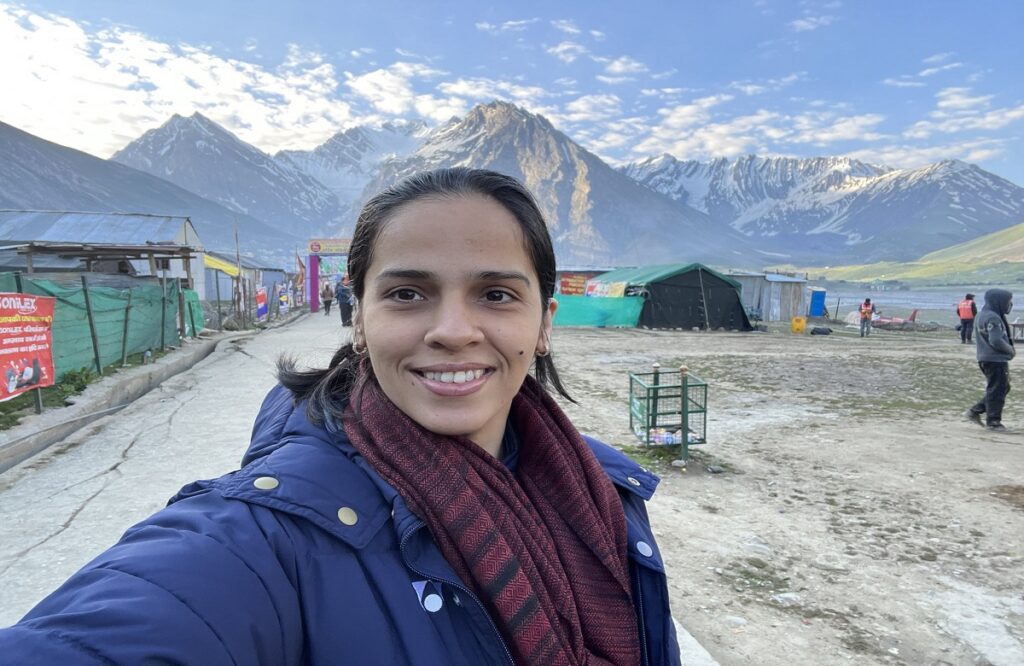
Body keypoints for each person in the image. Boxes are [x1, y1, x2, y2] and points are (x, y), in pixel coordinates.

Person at [0, 168, 680, 665]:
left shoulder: (606, 492)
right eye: (408, 292)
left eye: (496, 294)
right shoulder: (271, 533)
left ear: (543, 324)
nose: (452, 330)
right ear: (359, 320)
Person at [966, 288, 1015, 431]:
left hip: (984, 357)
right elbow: (995, 340)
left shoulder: (981, 314)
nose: (1010, 305)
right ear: (999, 301)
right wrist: (1010, 350)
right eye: (1008, 302)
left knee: (1001, 387)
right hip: (995, 359)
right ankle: (993, 422)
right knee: (997, 389)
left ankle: (976, 410)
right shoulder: (993, 317)